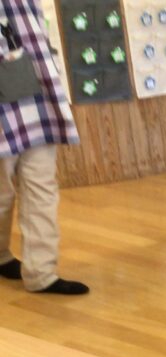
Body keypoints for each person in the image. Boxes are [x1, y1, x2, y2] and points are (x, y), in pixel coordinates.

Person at [0, 0, 87, 294]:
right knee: (2, 190)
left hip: (38, 95)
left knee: (42, 183)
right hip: (5, 99)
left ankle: (42, 273)